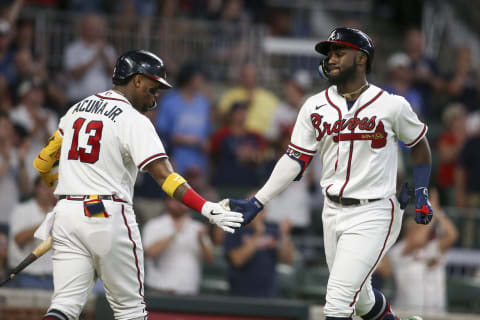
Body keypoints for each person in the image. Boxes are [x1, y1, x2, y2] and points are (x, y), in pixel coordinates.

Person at [227, 27, 433, 320]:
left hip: (374, 211)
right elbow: (294, 158)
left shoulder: (391, 104)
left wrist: (422, 192)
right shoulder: (315, 105)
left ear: (361, 58)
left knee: (337, 301)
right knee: (361, 300)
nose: (331, 59)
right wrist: (258, 201)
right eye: (329, 54)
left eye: (339, 53)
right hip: (332, 211)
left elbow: (420, 144)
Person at [33, 50, 243, 320]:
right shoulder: (133, 119)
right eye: (154, 88)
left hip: (65, 213)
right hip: (106, 213)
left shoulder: (77, 108)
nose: (156, 96)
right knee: (130, 310)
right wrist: (205, 208)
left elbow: (42, 164)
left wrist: (71, 192)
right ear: (137, 80)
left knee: (63, 306)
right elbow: (165, 177)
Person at [388, 188, 458, 315]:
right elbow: (418, 240)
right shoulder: (398, 250)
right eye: (418, 229)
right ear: (408, 232)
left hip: (435, 312)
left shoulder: (431, 247)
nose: (425, 231)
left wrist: (438, 213)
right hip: (406, 311)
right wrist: (430, 211)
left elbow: (452, 235)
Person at [224, 195, 295, 297]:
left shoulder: (273, 230)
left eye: (261, 207)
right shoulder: (234, 229)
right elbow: (237, 260)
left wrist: (284, 234)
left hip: (268, 295)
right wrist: (257, 234)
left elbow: (288, 260)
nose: (258, 212)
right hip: (240, 294)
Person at [143, 198, 214, 295]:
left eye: (183, 201)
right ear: (167, 202)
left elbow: (210, 260)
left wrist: (201, 240)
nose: (179, 204)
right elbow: (150, 253)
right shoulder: (154, 225)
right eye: (175, 201)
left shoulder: (197, 227)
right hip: (159, 290)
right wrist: (175, 232)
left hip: (189, 290)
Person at [7, 175, 56, 289]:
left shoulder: (58, 212)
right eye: (45, 187)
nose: (49, 191)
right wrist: (46, 222)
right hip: (26, 276)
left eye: (52, 187)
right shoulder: (21, 210)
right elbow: (19, 240)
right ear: (36, 188)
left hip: (52, 278)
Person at [63, 14, 116, 105]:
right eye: (90, 27)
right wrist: (94, 59)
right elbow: (75, 75)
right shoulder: (73, 49)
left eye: (95, 27)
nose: (93, 30)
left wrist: (105, 57)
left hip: (103, 101)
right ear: (82, 28)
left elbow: (114, 74)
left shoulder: (108, 49)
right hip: (79, 100)